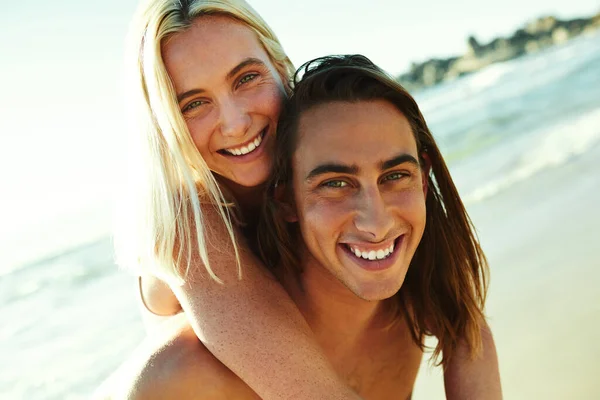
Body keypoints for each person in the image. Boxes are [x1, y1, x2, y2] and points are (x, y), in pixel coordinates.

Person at [101, 54, 501, 399]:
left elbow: (467, 326)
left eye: (395, 175)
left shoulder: (417, 295)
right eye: (335, 184)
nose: (377, 223)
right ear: (286, 200)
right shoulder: (183, 375)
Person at [107, 0, 365, 399]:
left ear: (281, 66)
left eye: (245, 78)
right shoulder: (186, 220)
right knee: (182, 355)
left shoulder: (334, 158)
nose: (235, 123)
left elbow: (464, 324)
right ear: (166, 125)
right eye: (193, 104)